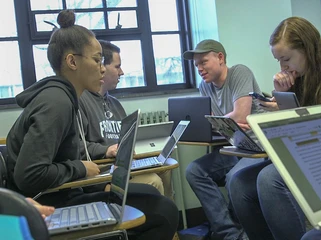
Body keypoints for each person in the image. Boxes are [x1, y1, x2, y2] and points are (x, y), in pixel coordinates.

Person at [5, 10, 178, 240]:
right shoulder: (57, 103)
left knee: (152, 197)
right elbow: (29, 175)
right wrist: (80, 168)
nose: (103, 68)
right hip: (48, 206)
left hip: (65, 193)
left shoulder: (66, 98)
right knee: (163, 212)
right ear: (72, 61)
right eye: (97, 60)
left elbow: (64, 153)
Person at [228, 17, 321, 240]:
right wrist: (283, 97)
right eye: (278, 60)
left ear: (308, 50)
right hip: (312, 153)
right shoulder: (302, 77)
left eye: (286, 59)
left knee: (269, 180)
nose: (283, 67)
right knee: (239, 183)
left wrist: (284, 107)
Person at [182, 39, 265, 240]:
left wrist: (222, 121)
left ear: (220, 58)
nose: (200, 69)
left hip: (258, 148)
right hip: (235, 146)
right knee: (194, 171)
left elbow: (240, 116)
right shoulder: (205, 86)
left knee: (233, 178)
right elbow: (217, 124)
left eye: (203, 62)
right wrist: (223, 122)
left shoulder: (239, 72)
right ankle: (229, 234)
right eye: (196, 65)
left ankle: (243, 231)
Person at [79, 40, 172, 197]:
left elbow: (126, 139)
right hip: (103, 169)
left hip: (124, 165)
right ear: (101, 67)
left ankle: (167, 219)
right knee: (152, 181)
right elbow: (77, 146)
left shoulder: (114, 103)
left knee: (165, 170)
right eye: (117, 66)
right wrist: (106, 150)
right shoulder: (81, 101)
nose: (121, 72)